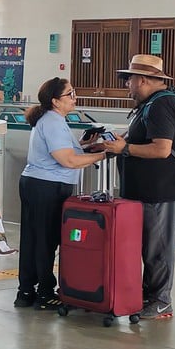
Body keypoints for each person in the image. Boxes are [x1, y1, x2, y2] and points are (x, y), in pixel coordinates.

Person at [102, 54, 175, 320]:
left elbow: (162, 149)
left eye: (129, 79)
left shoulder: (163, 105)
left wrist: (125, 148)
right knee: (149, 247)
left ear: (142, 80)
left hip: (160, 191)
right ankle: (150, 295)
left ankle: (161, 301)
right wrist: (121, 142)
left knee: (158, 248)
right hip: (147, 191)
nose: (127, 85)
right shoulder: (150, 104)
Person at [14, 78, 106, 310]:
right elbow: (68, 160)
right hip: (47, 187)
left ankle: (26, 292)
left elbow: (66, 153)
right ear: (55, 101)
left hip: (38, 184)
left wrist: (85, 146)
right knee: (45, 241)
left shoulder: (53, 120)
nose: (74, 97)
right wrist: (105, 155)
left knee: (35, 239)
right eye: (69, 94)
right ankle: (44, 293)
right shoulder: (53, 122)